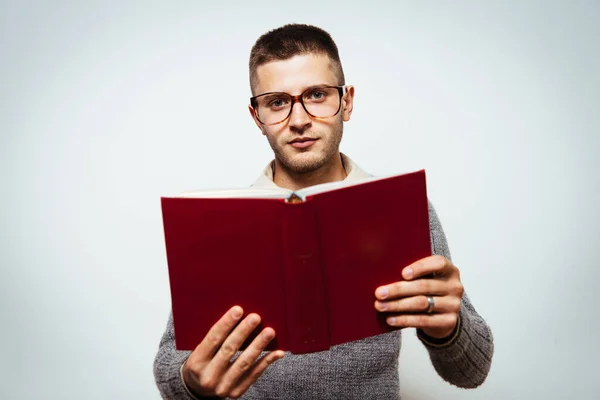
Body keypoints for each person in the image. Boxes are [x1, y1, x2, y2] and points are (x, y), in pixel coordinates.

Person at [154, 23, 494, 399]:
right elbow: (170, 360)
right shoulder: (224, 222)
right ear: (257, 117)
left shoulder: (400, 208)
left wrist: (448, 328)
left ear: (346, 101)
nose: (298, 120)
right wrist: (190, 381)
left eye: (316, 95)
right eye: (277, 102)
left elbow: (472, 372)